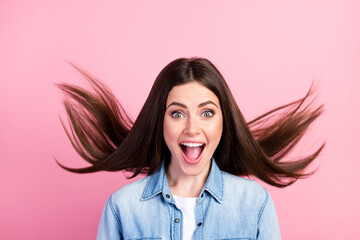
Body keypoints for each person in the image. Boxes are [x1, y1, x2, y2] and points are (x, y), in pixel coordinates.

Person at [57, 57, 324, 239]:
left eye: (207, 113)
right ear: (159, 122)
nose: (192, 128)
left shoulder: (255, 204)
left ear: (224, 122)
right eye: (177, 114)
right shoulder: (122, 208)